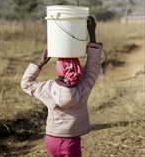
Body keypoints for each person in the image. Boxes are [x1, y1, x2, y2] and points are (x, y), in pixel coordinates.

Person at [21, 16, 103, 157]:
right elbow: (93, 67)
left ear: (58, 70)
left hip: (51, 139)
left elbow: (26, 83)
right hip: (71, 142)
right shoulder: (84, 86)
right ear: (79, 71)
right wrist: (92, 34)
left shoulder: (48, 88)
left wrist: (40, 62)